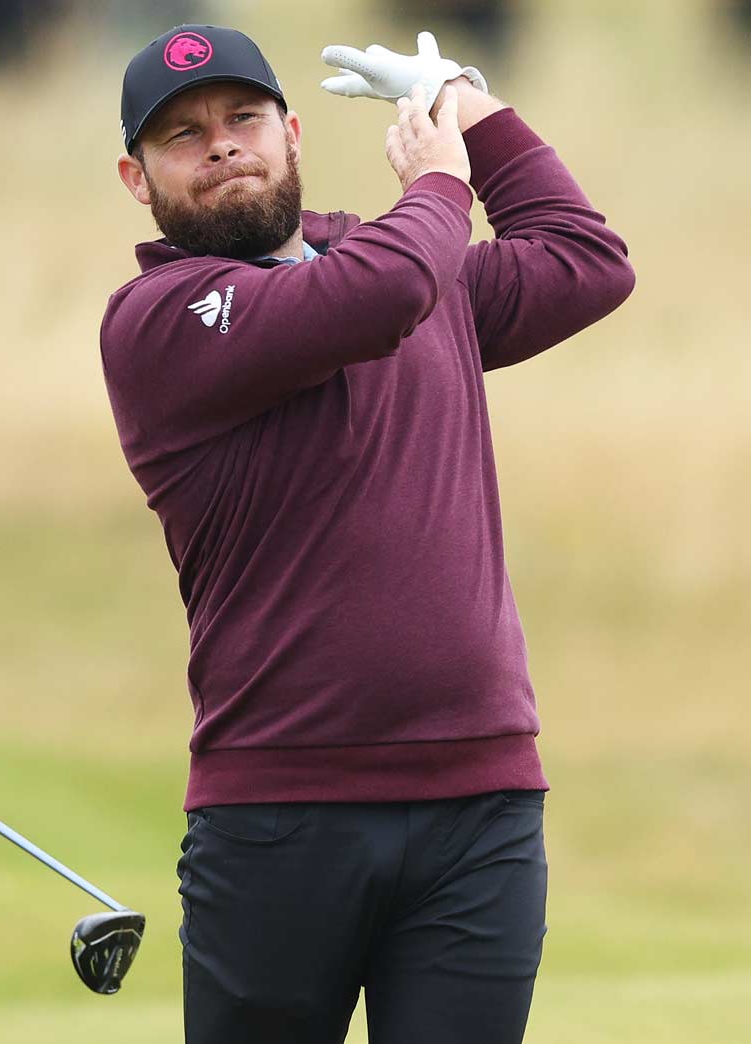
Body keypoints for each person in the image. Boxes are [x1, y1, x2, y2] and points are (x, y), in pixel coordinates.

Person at [98, 23, 634, 1044]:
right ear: (137, 177)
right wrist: (441, 180)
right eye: (182, 135)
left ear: (291, 132)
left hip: (479, 805)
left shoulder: (395, 263)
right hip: (279, 810)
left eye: (242, 118)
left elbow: (584, 260)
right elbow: (373, 294)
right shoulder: (159, 317)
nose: (220, 145)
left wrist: (463, 100)